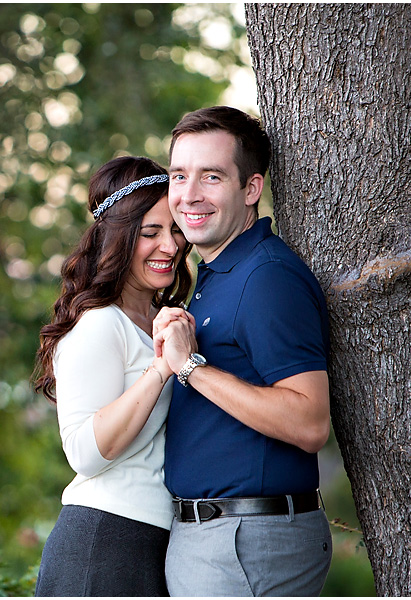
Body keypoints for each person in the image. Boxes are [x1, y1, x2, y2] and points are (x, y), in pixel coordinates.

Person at [152, 106, 333, 596]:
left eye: (211, 177)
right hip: (222, 540)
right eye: (179, 176)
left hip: (247, 542)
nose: (189, 195)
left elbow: (310, 422)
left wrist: (191, 367)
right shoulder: (218, 271)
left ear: (250, 189)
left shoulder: (266, 277)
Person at [32, 156, 194, 596]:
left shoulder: (162, 318)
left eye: (176, 229)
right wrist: (162, 368)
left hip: (156, 542)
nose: (171, 245)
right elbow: (84, 452)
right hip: (104, 543)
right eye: (151, 232)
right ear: (120, 238)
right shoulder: (101, 323)